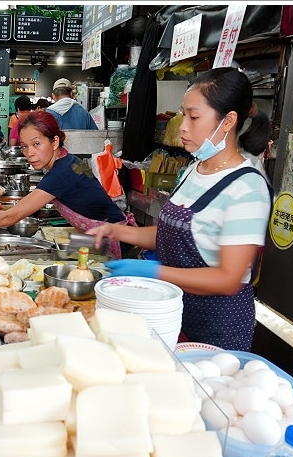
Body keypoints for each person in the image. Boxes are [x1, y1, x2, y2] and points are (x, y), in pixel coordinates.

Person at [87, 67, 273, 352]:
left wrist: (155, 271)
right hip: (172, 313)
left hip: (216, 329)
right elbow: (170, 235)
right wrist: (117, 232)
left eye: (194, 117)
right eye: (183, 114)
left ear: (228, 120)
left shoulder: (247, 188)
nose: (183, 126)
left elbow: (228, 279)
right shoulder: (192, 171)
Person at [0, 110, 133, 258]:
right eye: (24, 146)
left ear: (54, 141)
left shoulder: (62, 173)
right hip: (97, 237)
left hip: (116, 242)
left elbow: (11, 217)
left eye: (37, 144)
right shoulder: (67, 160)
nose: (29, 153)